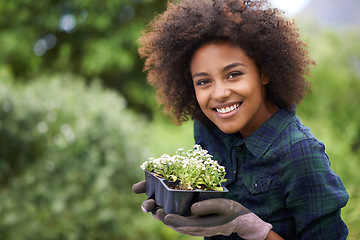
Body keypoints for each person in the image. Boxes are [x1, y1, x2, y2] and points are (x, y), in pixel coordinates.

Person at [132, 0, 349, 239]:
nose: (220, 94)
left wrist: (249, 227)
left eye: (233, 74)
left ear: (264, 73)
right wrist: (177, 193)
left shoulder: (300, 153)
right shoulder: (207, 128)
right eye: (204, 81)